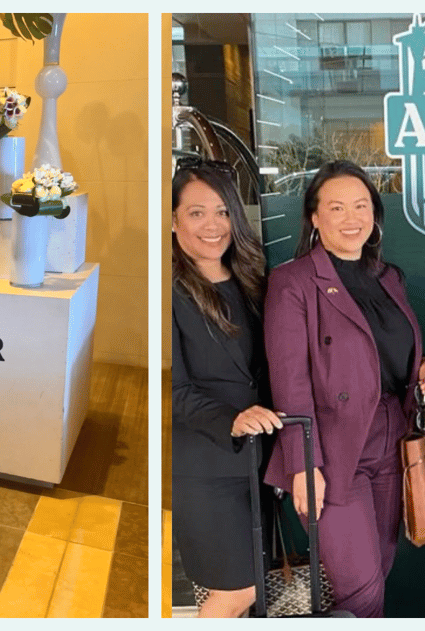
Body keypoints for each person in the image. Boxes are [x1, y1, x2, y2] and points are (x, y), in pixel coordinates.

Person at [261, 160, 425, 617]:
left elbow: (375, 349)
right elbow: (290, 382)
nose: (351, 218)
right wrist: (305, 464)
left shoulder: (388, 278)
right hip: (330, 447)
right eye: (337, 207)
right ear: (315, 219)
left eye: (361, 205)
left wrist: (422, 364)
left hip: (391, 440)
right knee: (360, 587)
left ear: (374, 215)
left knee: (378, 568)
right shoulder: (292, 283)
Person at [171, 158, 281, 617]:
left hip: (261, 464)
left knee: (258, 588)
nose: (212, 225)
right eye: (196, 213)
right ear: (172, 220)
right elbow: (173, 389)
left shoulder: (253, 278)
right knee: (237, 590)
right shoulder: (170, 290)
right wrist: (231, 419)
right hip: (205, 467)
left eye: (222, 211)